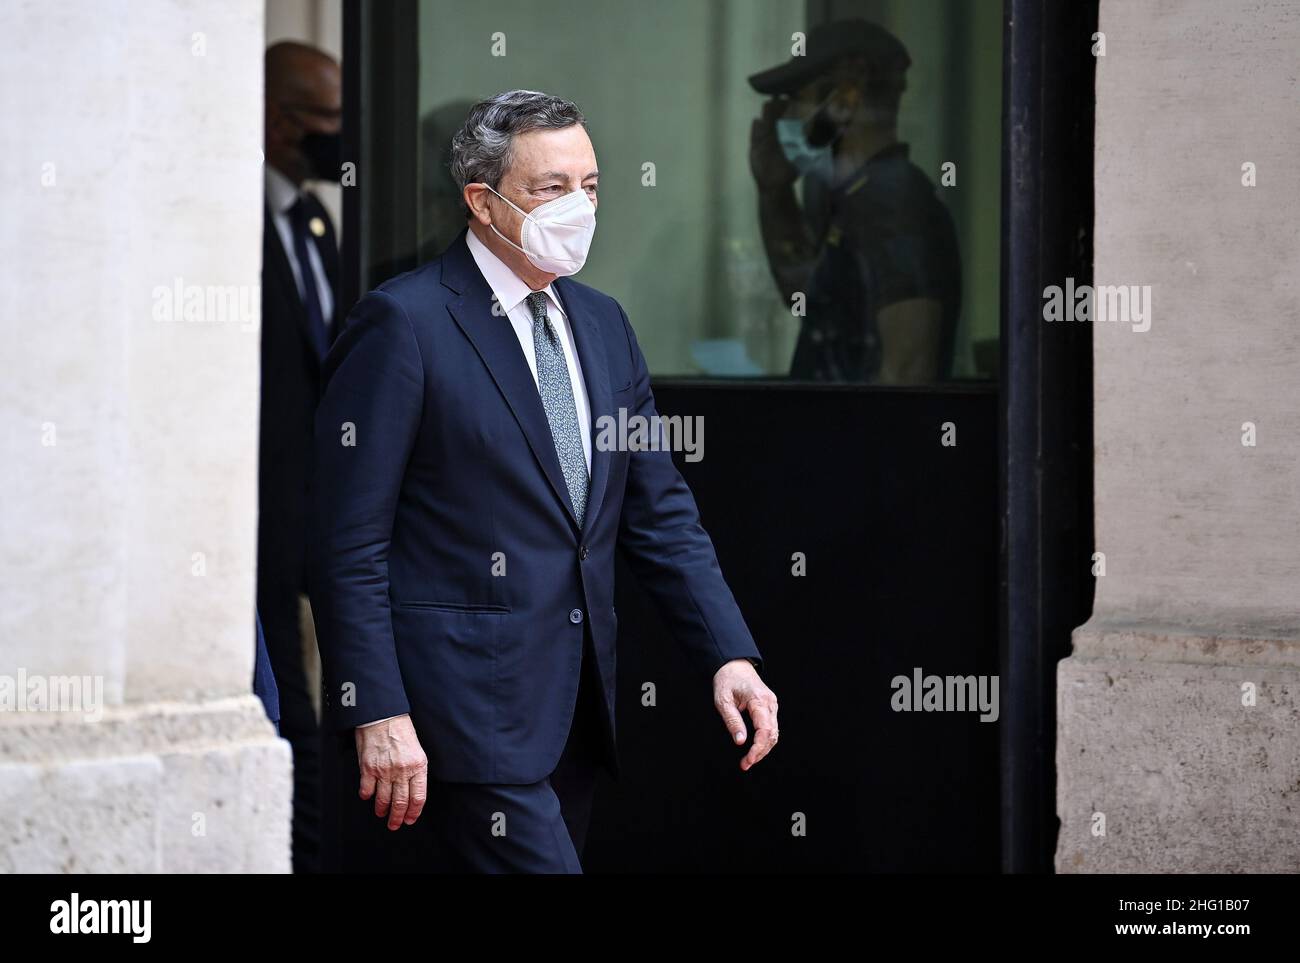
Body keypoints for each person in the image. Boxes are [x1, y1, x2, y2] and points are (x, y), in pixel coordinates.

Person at [308, 89, 779, 873]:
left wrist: (728, 653)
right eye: (551, 188)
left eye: (590, 186)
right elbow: (347, 541)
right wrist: (376, 708)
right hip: (454, 718)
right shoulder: (406, 322)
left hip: (574, 714)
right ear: (481, 202)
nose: (580, 207)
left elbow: (658, 512)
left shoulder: (602, 324)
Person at [748, 19, 961, 384]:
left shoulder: (893, 200)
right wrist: (775, 192)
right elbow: (807, 295)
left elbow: (909, 370)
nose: (785, 116)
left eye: (797, 99)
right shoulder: (859, 196)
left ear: (844, 102)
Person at [259, 40, 343, 873]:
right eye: (326, 119)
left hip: (320, 512)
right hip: (259, 522)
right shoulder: (230, 230)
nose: (342, 137)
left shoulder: (317, 225)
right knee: (289, 704)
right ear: (278, 122)